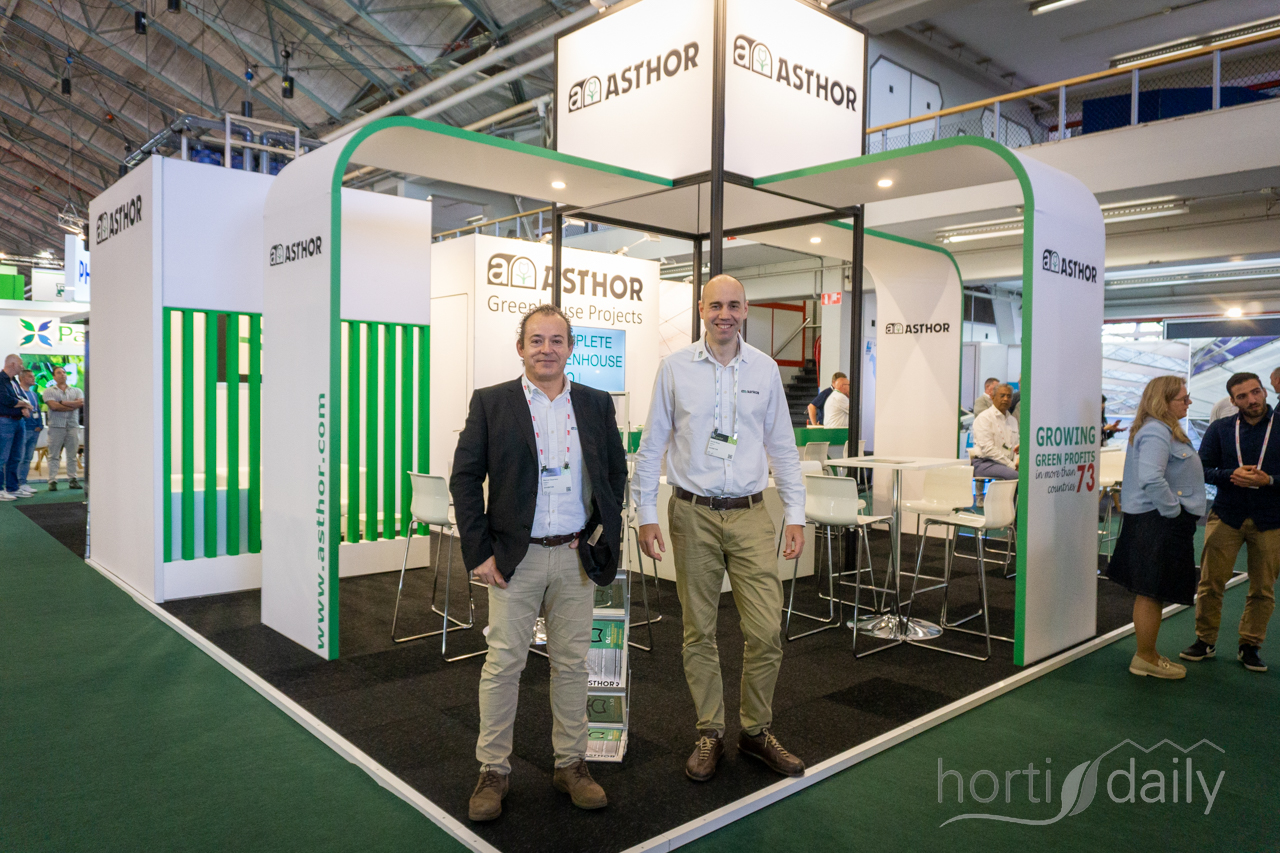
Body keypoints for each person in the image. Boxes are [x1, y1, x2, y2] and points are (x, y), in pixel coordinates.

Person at [451, 304, 627, 822]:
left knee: (572, 664)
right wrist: (479, 551)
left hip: (575, 557)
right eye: (536, 340)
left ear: (570, 348)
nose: (546, 349)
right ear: (520, 347)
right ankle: (493, 770)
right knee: (504, 664)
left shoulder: (595, 403)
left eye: (556, 340)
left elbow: (614, 473)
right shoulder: (492, 402)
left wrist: (600, 534)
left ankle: (571, 764)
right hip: (516, 558)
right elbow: (465, 479)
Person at [633, 274, 807, 783]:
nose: (724, 314)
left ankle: (755, 731)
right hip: (692, 513)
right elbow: (652, 444)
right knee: (698, 631)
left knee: (766, 630)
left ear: (745, 309)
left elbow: (783, 447)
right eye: (715, 306)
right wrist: (645, 514)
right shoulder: (675, 368)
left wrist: (795, 514)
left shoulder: (765, 369)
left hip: (751, 513)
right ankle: (709, 730)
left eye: (733, 305)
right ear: (701, 309)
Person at [1181, 372, 1280, 673]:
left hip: (1271, 518)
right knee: (1210, 582)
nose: (1252, 399)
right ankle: (1204, 640)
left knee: (1263, 588)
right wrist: (1229, 475)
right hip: (1226, 515)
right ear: (1233, 401)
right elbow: (1202, 468)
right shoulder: (1221, 428)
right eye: (1243, 396)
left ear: (1265, 392)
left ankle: (1250, 645)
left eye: (1256, 392)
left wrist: (1269, 480)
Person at [1105, 376, 1202, 679]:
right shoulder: (1156, 431)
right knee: (1151, 591)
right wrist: (1173, 511)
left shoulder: (1159, 429)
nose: (1188, 403)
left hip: (1156, 520)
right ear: (1164, 401)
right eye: (1183, 399)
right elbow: (1150, 477)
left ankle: (1147, 654)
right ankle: (1145, 657)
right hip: (1157, 521)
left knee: (1152, 591)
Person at [43, 365, 84, 490]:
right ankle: (52, 481)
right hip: (56, 426)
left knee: (72, 455)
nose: (62, 374)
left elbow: (81, 403)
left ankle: (73, 479)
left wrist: (62, 402)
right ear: (54, 377)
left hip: (72, 426)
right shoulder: (49, 391)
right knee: (54, 455)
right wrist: (72, 405)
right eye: (59, 373)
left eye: (64, 372)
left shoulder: (76, 391)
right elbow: (53, 406)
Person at [0, 353, 33, 501]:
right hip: (5, 422)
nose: (22, 367)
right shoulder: (1, 379)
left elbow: (19, 398)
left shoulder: (13, 381)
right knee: (2, 457)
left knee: (16, 457)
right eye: (20, 364)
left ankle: (12, 488)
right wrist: (24, 405)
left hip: (18, 422)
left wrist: (23, 406)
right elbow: (6, 400)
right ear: (12, 364)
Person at [970, 383, 1019, 480]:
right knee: (1017, 476)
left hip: (1006, 463)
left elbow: (1016, 447)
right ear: (993, 397)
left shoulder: (1012, 420)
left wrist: (1016, 463)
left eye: (1009, 396)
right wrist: (1011, 465)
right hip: (985, 463)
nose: (1006, 399)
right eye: (1002, 396)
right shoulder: (985, 418)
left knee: (1029, 475)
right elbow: (988, 449)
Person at [16, 368, 42, 496]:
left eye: (33, 376)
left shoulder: (33, 394)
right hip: (23, 429)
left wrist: (40, 424)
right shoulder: (17, 393)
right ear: (22, 378)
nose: (33, 378)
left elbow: (37, 409)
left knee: (27, 458)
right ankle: (14, 484)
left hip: (34, 429)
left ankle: (23, 482)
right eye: (30, 376)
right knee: (18, 457)